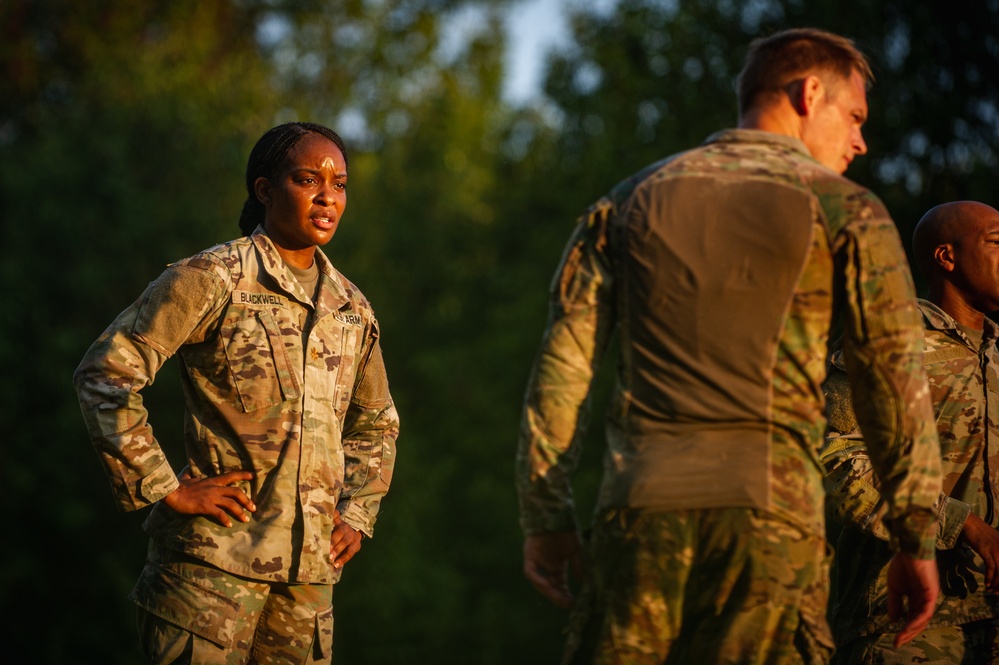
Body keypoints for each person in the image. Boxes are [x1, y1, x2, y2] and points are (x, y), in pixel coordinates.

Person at [514, 28, 942, 663]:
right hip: (769, 524)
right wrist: (916, 535)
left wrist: (545, 519)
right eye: (853, 118)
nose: (861, 141)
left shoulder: (625, 203)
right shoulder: (847, 211)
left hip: (637, 519)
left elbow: (561, 376)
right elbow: (891, 382)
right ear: (808, 92)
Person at [73, 122, 399, 664]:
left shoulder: (352, 307)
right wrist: (163, 486)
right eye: (306, 179)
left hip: (307, 586)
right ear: (265, 189)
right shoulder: (215, 276)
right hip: (208, 573)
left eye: (339, 184)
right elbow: (106, 373)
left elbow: (377, 420)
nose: (327, 197)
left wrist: (357, 513)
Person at [823, 201, 999, 663]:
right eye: (997, 242)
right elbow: (842, 469)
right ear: (947, 256)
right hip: (904, 628)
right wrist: (965, 526)